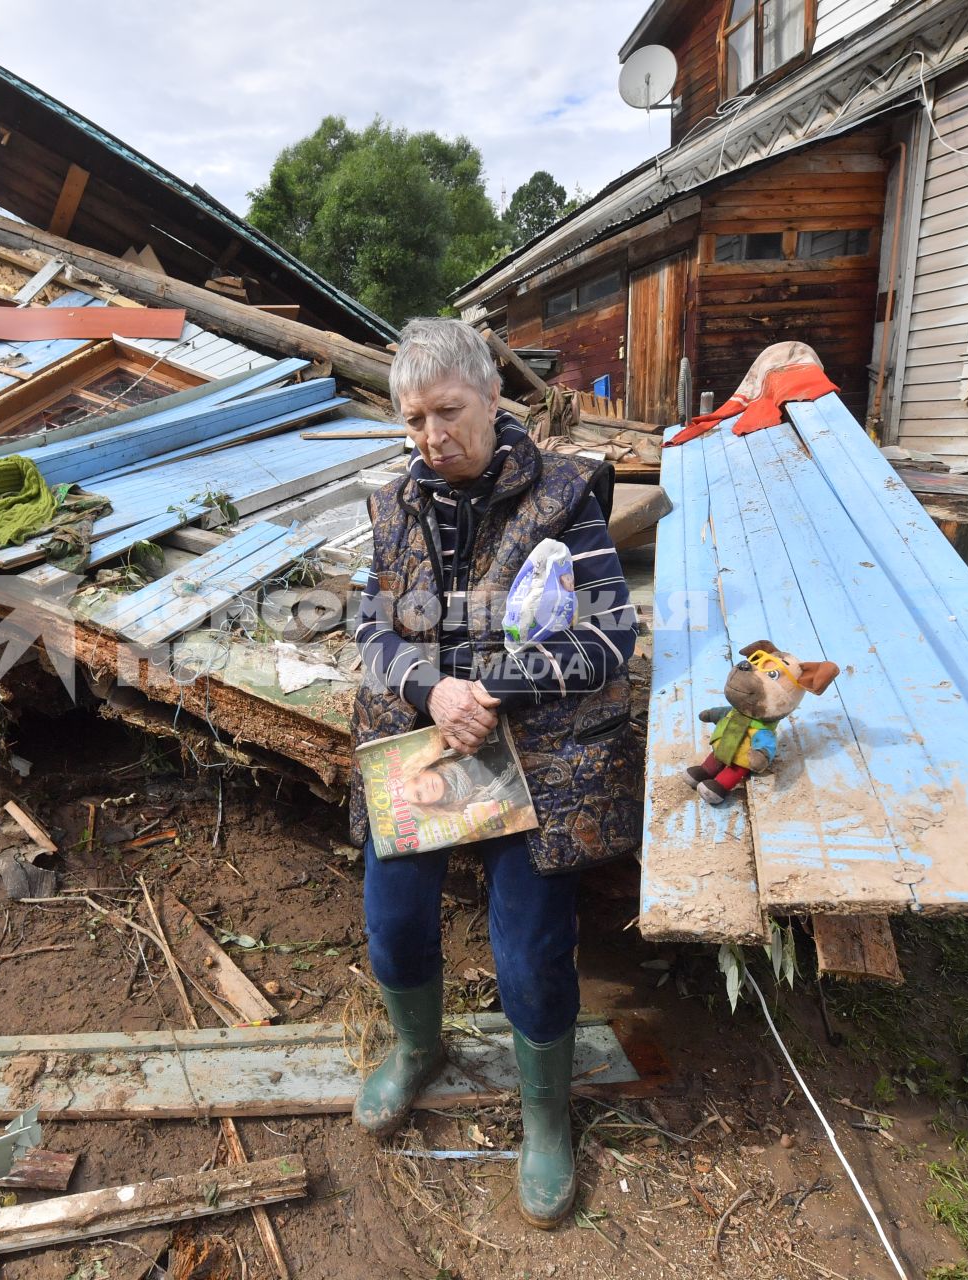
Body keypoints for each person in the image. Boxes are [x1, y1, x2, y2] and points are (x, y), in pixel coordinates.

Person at [350, 317, 643, 1228]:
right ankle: (416, 1050)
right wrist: (435, 690)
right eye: (413, 420)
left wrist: (495, 688)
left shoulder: (562, 494)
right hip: (425, 742)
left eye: (449, 411)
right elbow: (369, 632)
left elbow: (608, 637)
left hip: (535, 755)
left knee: (529, 949)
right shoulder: (396, 503)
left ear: (490, 399)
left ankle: (545, 1116)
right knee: (393, 921)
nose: (433, 437)